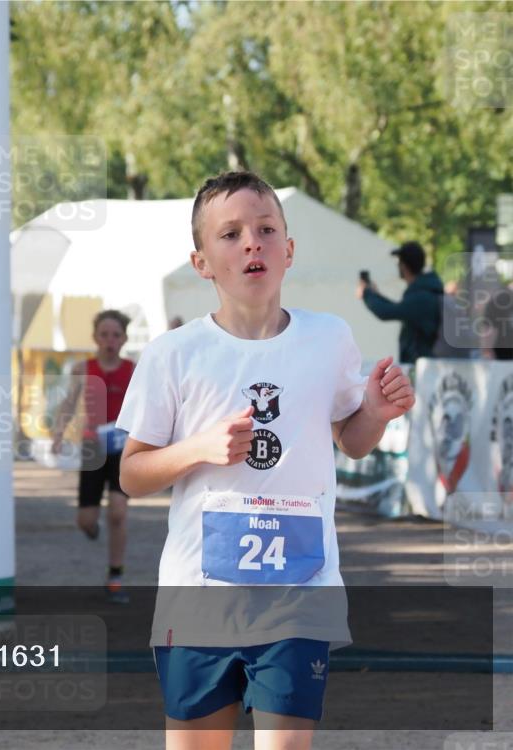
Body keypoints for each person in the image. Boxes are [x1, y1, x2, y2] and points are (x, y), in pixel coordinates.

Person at [117, 171, 414, 750]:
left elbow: (351, 441)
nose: (251, 242)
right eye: (230, 234)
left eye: (266, 229)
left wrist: (375, 412)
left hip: (297, 592)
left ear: (289, 249)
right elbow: (131, 474)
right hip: (198, 593)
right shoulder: (173, 354)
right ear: (201, 262)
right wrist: (198, 448)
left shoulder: (328, 338)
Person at [51, 310, 135, 603]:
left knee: (118, 511)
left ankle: (115, 575)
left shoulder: (134, 370)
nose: (110, 341)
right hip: (92, 447)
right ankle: (92, 527)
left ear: (124, 338)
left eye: (116, 335)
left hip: (123, 448)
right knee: (85, 521)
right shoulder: (82, 370)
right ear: (95, 337)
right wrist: (58, 433)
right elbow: (68, 403)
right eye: (104, 335)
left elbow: (147, 408)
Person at [358, 240, 444, 364]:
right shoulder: (426, 291)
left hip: (422, 368)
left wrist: (366, 293)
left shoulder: (421, 297)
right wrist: (374, 294)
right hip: (425, 365)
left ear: (403, 265)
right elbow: (398, 308)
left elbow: (386, 312)